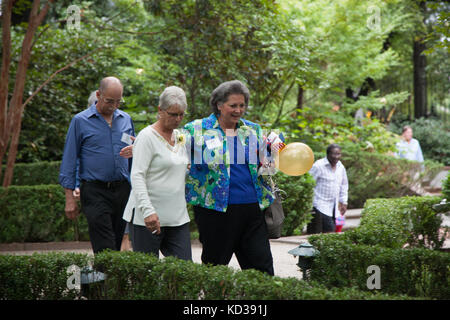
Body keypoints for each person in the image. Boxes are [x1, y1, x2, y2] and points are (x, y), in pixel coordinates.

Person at [184, 80, 274, 275]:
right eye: (233, 105)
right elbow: (170, 146)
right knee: (214, 269)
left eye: (242, 105)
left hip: (252, 209)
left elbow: (276, 153)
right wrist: (139, 145)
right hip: (215, 211)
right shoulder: (197, 129)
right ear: (219, 104)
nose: (238, 110)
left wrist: (274, 152)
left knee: (262, 271)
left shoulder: (253, 130)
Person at [59, 76, 135, 254]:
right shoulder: (80, 121)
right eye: (109, 101)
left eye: (118, 101)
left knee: (117, 243)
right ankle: (106, 280)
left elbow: (134, 155)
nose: (114, 106)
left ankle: (109, 281)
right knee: (105, 246)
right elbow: (69, 159)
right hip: (95, 191)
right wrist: (69, 198)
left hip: (122, 190)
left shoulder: (126, 119)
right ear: (98, 95)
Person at [123, 86, 192, 261]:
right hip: (148, 218)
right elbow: (137, 175)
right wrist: (148, 211)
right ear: (160, 110)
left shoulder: (181, 137)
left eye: (181, 115)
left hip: (177, 218)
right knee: (146, 274)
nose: (177, 119)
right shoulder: (146, 137)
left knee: (183, 271)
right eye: (173, 114)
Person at [307, 144, 348, 234]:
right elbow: (309, 183)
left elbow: (344, 185)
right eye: (334, 154)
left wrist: (344, 202)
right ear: (328, 154)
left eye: (339, 154)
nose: (336, 157)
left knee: (329, 231)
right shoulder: (318, 166)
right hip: (319, 205)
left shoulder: (340, 167)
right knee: (328, 230)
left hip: (333, 207)